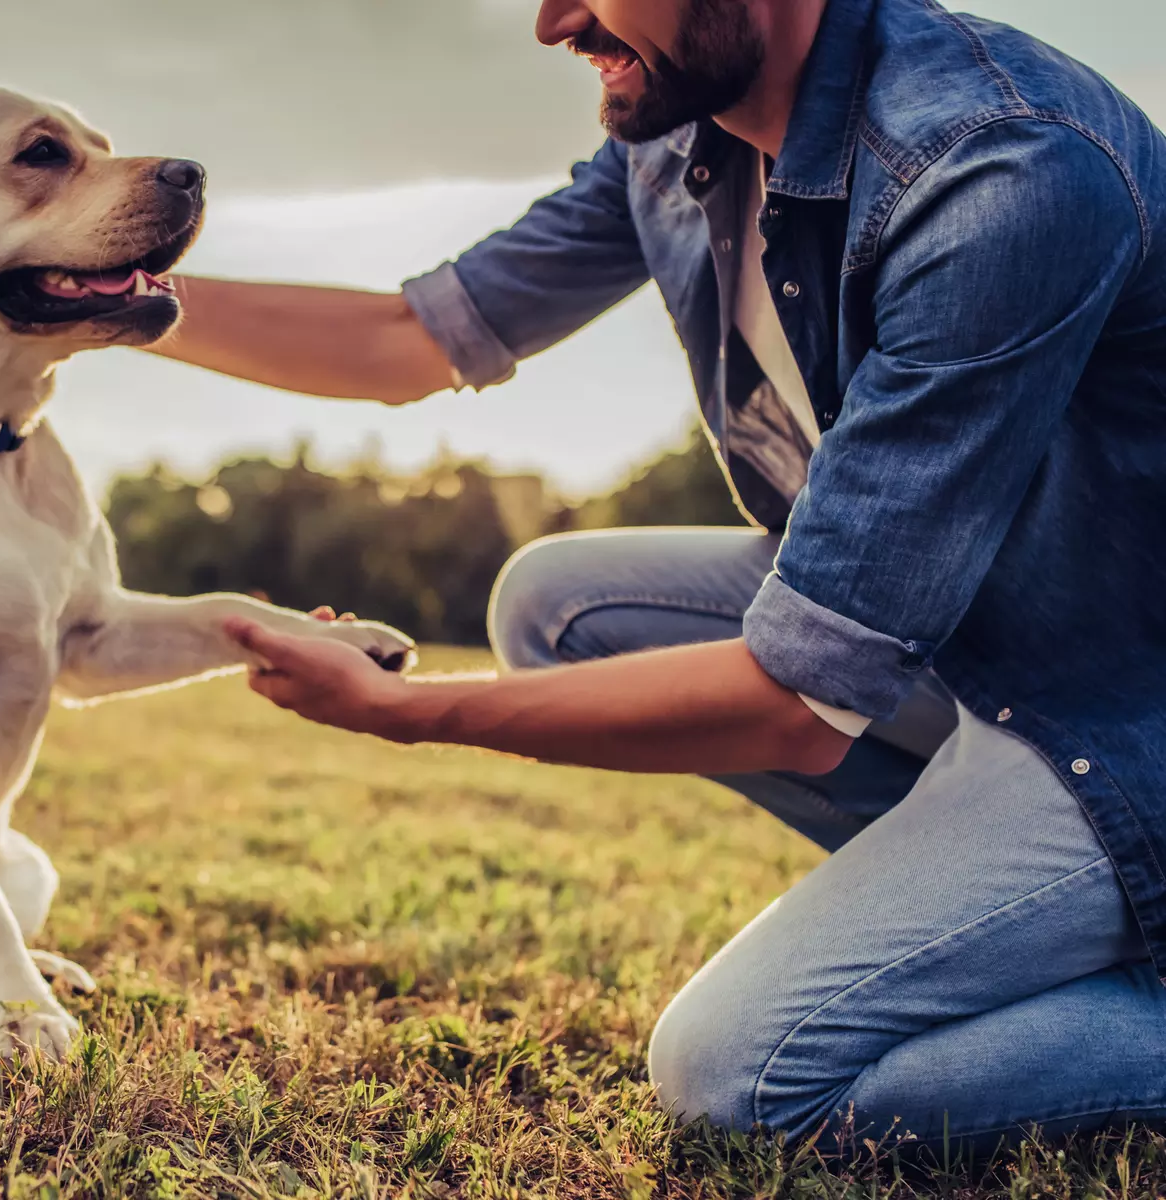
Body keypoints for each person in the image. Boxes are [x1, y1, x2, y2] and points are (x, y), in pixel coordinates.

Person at [152, 0, 1166, 1153]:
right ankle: (1036, 920)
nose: (551, 22)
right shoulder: (684, 133)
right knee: (556, 606)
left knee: (736, 1077)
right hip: (974, 642)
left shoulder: (995, 164)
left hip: (1115, 708)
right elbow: (407, 340)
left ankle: (1104, 930)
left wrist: (415, 711)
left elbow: (797, 698)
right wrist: (113, 303)